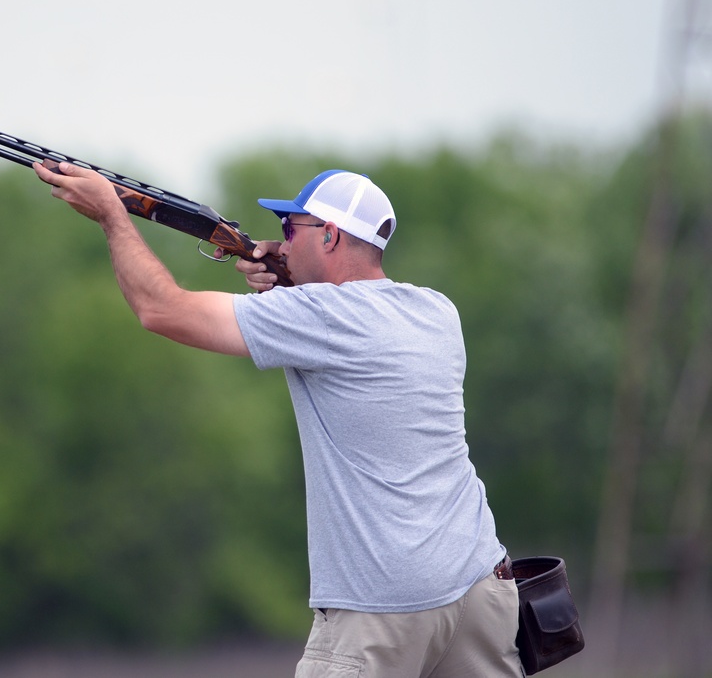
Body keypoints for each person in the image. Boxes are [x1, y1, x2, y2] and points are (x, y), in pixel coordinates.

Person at [33, 160, 524, 678]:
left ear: (330, 236)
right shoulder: (435, 311)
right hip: (479, 587)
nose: (281, 242)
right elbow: (354, 331)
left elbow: (162, 310)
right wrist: (288, 284)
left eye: (292, 229)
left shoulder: (319, 316)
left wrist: (113, 215)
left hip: (382, 604)